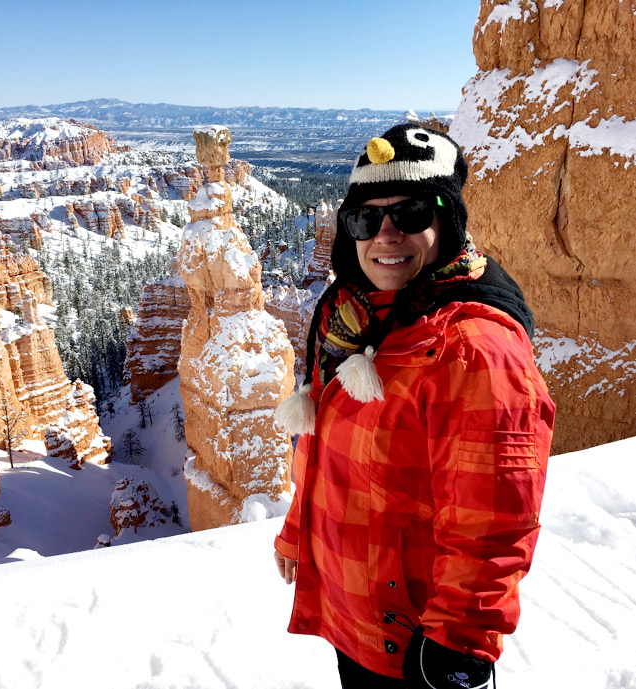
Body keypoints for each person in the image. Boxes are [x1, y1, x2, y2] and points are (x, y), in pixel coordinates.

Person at [273, 123, 555, 688]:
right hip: (356, 615)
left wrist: (459, 643)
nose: (385, 234)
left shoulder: (472, 349)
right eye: (365, 218)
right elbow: (333, 453)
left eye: (409, 213)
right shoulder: (351, 319)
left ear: (446, 220)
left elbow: (494, 515)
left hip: (418, 642)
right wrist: (296, 529)